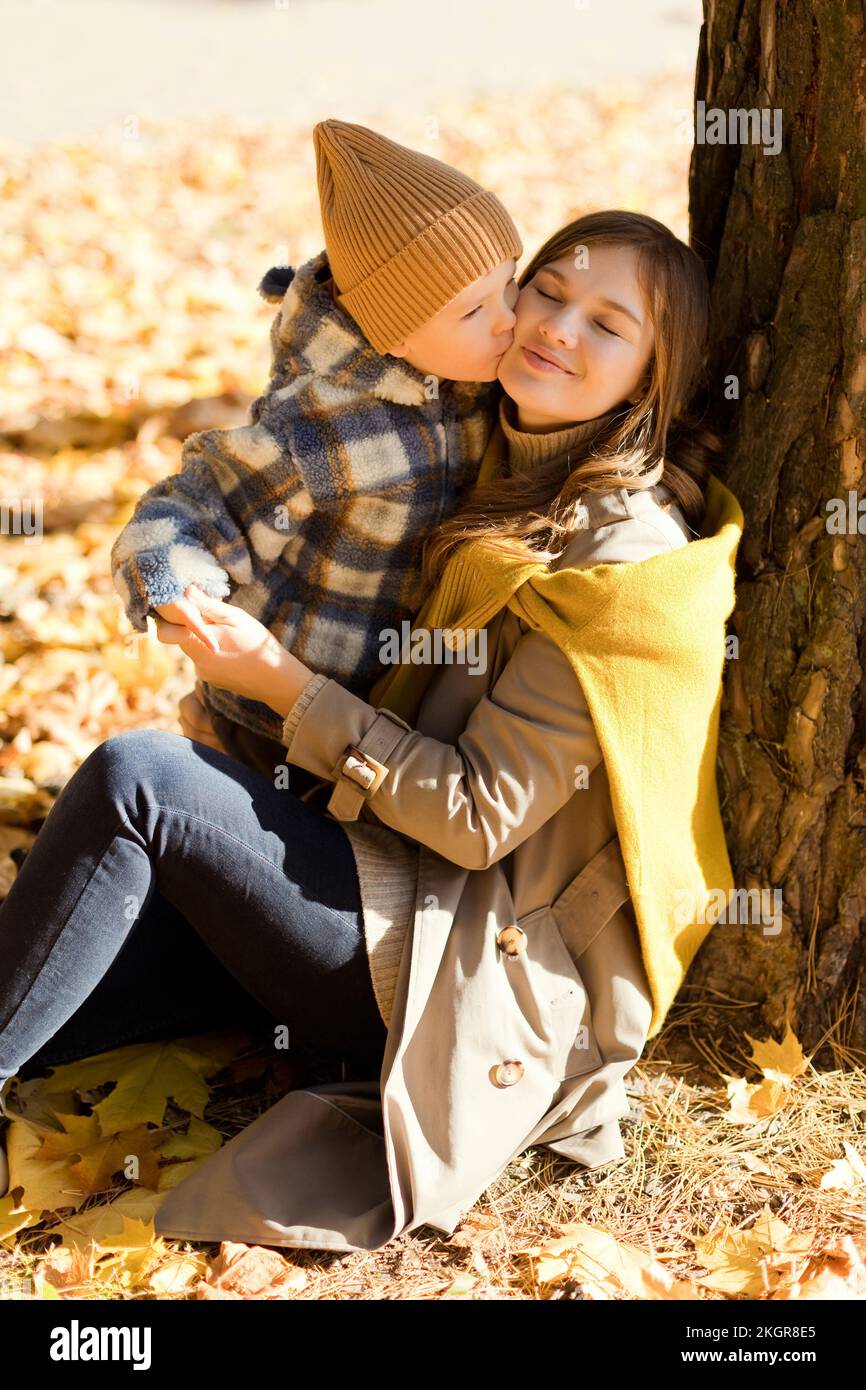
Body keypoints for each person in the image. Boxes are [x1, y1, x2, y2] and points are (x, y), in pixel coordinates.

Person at [0, 212, 743, 1254]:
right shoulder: (472, 447)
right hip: (353, 875)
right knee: (64, 964)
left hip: (453, 958)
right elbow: (319, 377)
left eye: (607, 324)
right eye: (549, 289)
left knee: (142, 778)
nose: (557, 327)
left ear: (651, 380)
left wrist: (281, 684)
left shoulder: (621, 563)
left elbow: (479, 819)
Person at [109, 117, 522, 790]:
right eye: (474, 310)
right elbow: (193, 504)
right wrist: (177, 582)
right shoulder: (321, 427)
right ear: (392, 333)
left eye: (511, 283)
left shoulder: (478, 379)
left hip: (387, 715)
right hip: (276, 714)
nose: (509, 316)